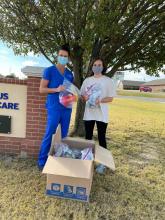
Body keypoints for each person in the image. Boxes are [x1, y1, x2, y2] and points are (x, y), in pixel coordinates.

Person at [38, 44, 74, 170]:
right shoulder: (49, 71)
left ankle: (59, 159)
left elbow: (69, 90)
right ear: (57, 56)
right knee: (50, 133)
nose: (63, 58)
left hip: (66, 108)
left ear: (68, 59)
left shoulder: (70, 74)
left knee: (63, 135)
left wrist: (74, 95)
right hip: (54, 107)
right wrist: (56, 89)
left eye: (65, 56)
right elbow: (41, 89)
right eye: (61, 55)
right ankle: (42, 161)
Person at [80, 58, 116, 174]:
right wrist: (84, 98)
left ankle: (103, 163)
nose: (97, 66)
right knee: (88, 137)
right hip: (89, 113)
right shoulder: (87, 81)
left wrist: (99, 100)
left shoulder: (108, 81)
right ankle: (87, 160)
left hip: (102, 114)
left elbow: (111, 98)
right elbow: (82, 96)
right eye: (95, 65)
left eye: (99, 65)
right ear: (92, 67)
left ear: (103, 66)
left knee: (101, 137)